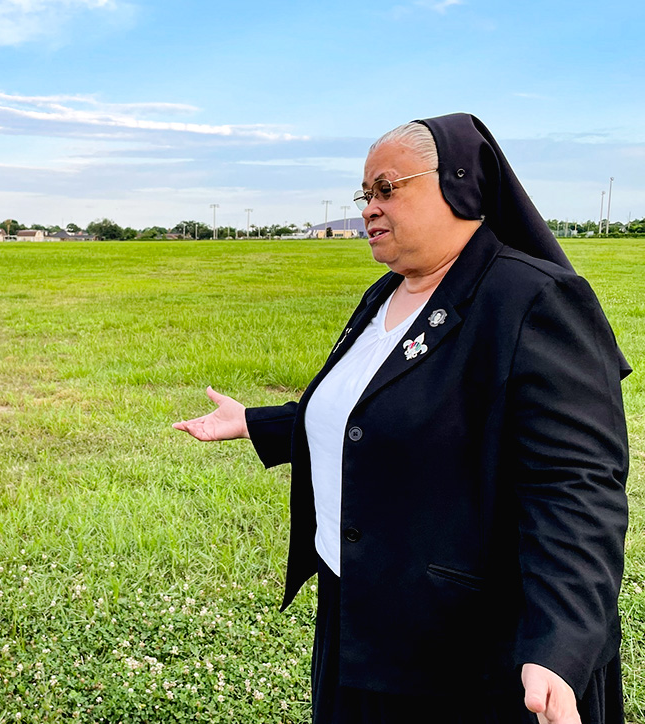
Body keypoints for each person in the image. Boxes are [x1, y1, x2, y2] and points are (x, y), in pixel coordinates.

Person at [174, 113, 629, 724]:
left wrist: (560, 644)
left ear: (461, 185)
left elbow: (576, 488)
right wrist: (261, 423)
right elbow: (371, 406)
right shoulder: (387, 292)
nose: (369, 207)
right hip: (357, 606)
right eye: (366, 194)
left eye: (387, 188)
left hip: (461, 645)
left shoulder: (532, 300)